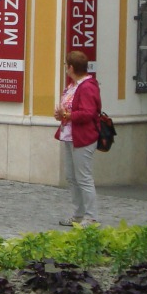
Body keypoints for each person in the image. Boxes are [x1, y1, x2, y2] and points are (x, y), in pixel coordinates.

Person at [54, 50, 101, 227]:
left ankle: (91, 216)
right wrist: (62, 115)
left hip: (83, 137)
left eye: (66, 65)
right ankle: (78, 214)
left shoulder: (87, 86)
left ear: (71, 67)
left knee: (84, 178)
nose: (66, 68)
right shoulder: (73, 85)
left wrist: (67, 114)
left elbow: (88, 113)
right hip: (69, 135)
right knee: (72, 177)